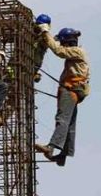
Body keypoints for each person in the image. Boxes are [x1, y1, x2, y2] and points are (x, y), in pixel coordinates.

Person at [33, 16, 90, 166]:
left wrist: (45, 32)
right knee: (70, 123)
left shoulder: (77, 51)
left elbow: (58, 51)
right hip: (76, 90)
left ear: (67, 42)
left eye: (63, 42)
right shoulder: (79, 52)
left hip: (70, 90)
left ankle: (51, 147)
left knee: (62, 119)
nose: (62, 45)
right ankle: (63, 155)